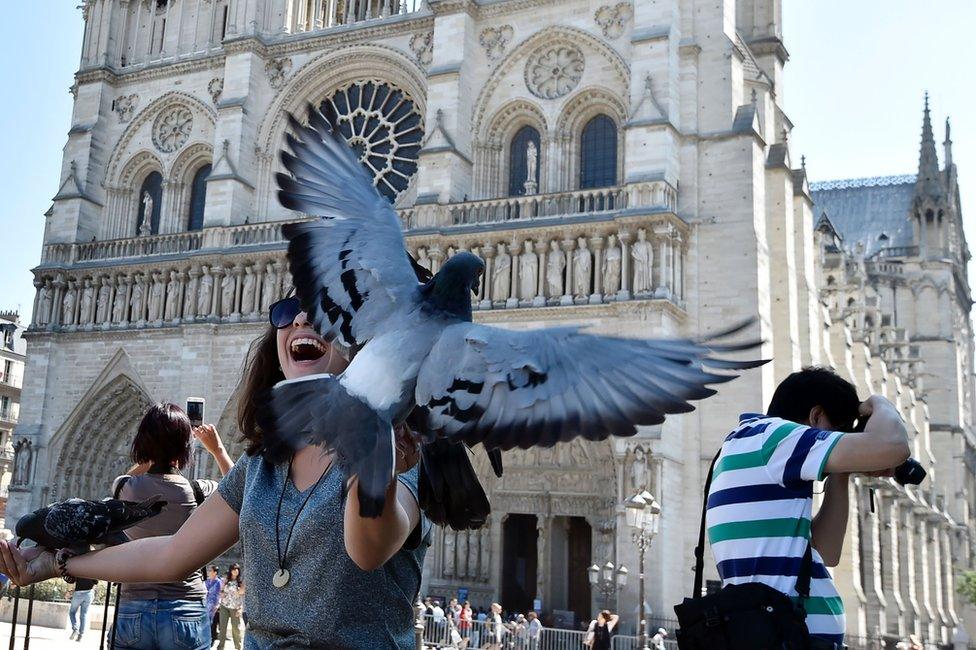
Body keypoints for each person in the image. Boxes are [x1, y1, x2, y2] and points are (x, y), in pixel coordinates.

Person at [0, 296, 430, 649]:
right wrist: (60, 563)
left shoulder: (404, 449)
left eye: (325, 306)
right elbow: (171, 554)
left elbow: (370, 548)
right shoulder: (260, 466)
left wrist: (374, 462)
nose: (301, 316)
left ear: (366, 342)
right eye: (287, 309)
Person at [705, 367, 910, 650]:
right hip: (783, 637)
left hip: (779, 635)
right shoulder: (777, 437)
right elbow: (894, 445)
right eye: (837, 434)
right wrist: (880, 403)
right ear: (815, 417)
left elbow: (827, 551)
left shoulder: (754, 443)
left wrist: (842, 469)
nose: (838, 442)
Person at [110, 402, 234, 649]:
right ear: (183, 449)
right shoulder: (198, 491)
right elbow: (241, 490)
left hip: (133, 606)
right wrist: (217, 450)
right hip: (184, 606)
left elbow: (134, 472)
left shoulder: (124, 488)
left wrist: (156, 450)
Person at [218, 564, 244, 649]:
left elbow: (243, 596)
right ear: (230, 570)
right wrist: (221, 594)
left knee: (236, 629)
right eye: (233, 569)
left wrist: (241, 608)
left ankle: (238, 647)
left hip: (235, 608)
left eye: (237, 569)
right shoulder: (226, 580)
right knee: (223, 627)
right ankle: (220, 647)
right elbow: (221, 591)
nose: (235, 571)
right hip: (224, 606)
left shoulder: (241, 582)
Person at [67, 577, 97, 642]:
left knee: (72, 612)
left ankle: (75, 629)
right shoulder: (93, 570)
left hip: (78, 593)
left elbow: (71, 580)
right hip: (89, 594)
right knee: (83, 615)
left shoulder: (79, 569)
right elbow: (96, 582)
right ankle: (80, 635)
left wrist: (69, 592)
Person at [205, 566, 222, 646]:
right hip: (206, 604)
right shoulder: (207, 581)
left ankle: (211, 641)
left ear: (215, 572)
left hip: (214, 606)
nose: (209, 572)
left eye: (210, 571)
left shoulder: (218, 582)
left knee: (212, 624)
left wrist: (217, 605)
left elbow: (220, 594)